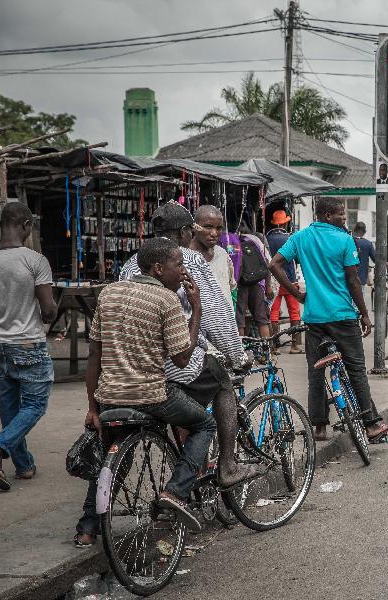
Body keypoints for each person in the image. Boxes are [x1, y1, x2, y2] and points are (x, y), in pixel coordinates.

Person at [76, 238, 214, 541]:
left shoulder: (108, 294)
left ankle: (87, 528)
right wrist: (198, 308)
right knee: (205, 423)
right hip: (151, 396)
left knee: (107, 460)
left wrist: (92, 407)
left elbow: (95, 357)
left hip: (110, 396)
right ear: (158, 268)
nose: (183, 270)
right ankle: (176, 492)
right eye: (179, 264)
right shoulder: (167, 300)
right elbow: (182, 356)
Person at [116, 202, 253, 500]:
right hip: (173, 362)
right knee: (221, 381)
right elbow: (216, 316)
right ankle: (228, 466)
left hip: (130, 364)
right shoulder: (187, 259)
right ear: (183, 232)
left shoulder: (131, 263)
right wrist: (237, 355)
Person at [268, 197, 388, 443]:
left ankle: (320, 428)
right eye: (340, 215)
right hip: (343, 317)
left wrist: (296, 294)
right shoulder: (344, 240)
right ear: (326, 215)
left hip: (314, 318)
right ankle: (371, 425)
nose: (344, 220)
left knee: (316, 372)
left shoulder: (301, 238)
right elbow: (353, 281)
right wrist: (365, 314)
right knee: (356, 370)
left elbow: (275, 264)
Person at [0, 203, 57, 491]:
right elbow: (48, 310)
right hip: (27, 343)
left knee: (9, 406)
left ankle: (23, 466)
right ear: (27, 226)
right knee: (34, 405)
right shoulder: (36, 260)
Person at [266, 210, 303, 353]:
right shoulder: (290, 238)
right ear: (286, 222)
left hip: (273, 281)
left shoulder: (267, 239)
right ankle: (294, 346)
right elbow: (298, 259)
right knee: (294, 313)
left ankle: (274, 346)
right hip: (290, 281)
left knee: (274, 313)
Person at [190, 205, 235, 309]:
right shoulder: (182, 258)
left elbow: (231, 288)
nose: (214, 233)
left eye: (219, 228)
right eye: (208, 227)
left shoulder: (222, 254)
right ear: (195, 227)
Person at [236, 224, 274, 339]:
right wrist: (268, 286)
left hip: (240, 284)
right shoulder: (255, 240)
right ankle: (267, 350)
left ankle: (241, 352)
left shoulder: (230, 242)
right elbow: (266, 263)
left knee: (240, 320)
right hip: (257, 282)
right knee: (262, 319)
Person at [352, 222, 377, 313]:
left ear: (354, 229)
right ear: (364, 231)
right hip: (361, 278)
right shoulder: (367, 244)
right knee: (358, 302)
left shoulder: (349, 241)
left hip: (347, 278)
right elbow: (376, 259)